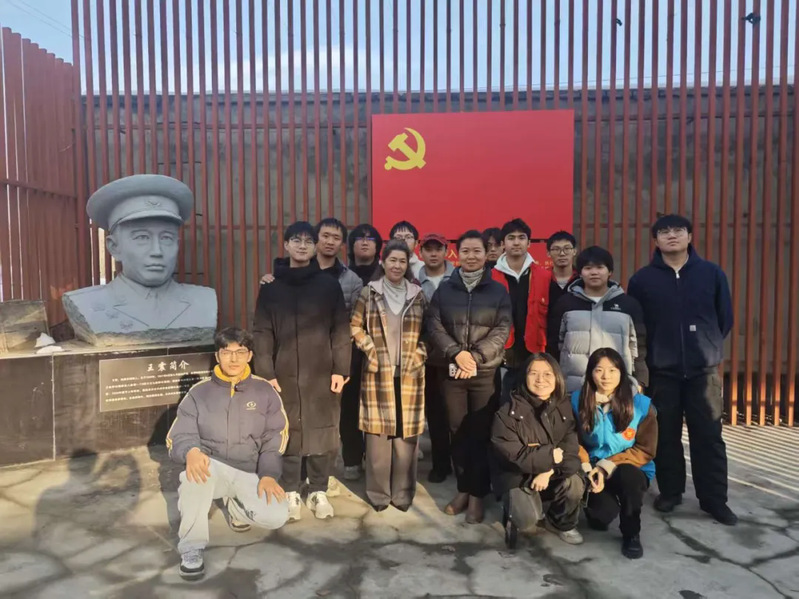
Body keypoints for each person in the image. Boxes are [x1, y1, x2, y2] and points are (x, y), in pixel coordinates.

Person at [627, 214, 736, 525]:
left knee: (709, 436)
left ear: (689, 236)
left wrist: (706, 346)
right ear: (656, 240)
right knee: (665, 435)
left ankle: (714, 500)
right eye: (664, 231)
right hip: (663, 371)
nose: (671, 235)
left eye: (678, 230)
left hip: (703, 372)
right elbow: (638, 326)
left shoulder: (711, 274)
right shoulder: (642, 280)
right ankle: (671, 492)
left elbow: (724, 318)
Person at [167, 327, 290, 580]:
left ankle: (235, 508)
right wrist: (190, 452)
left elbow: (275, 437)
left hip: (249, 470)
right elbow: (179, 434)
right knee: (193, 475)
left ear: (250, 355)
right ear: (217, 356)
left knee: (277, 515)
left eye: (240, 352)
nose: (234, 359)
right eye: (227, 352)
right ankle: (191, 548)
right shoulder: (199, 392)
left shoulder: (264, 391)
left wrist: (268, 475)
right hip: (212, 467)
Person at [252, 221, 351, 521]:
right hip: (283, 372)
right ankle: (291, 490)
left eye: (309, 241)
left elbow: (340, 329)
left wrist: (340, 368)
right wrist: (266, 372)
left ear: (315, 246)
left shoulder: (328, 285)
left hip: (322, 370)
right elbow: (262, 331)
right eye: (296, 240)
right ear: (286, 245)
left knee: (324, 429)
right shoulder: (272, 287)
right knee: (288, 429)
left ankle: (318, 489)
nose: (303, 245)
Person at [62, 174, 217, 346]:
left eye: (166, 238)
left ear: (177, 245)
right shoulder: (87, 304)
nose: (157, 251)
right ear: (114, 247)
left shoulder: (203, 300)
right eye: (142, 237)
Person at [426, 230, 512, 523]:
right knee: (457, 431)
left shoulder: (498, 291)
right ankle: (463, 488)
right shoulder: (445, 290)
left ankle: (477, 494)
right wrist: (455, 353)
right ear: (457, 254)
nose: (471, 256)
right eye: (465, 251)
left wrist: (473, 357)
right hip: (452, 373)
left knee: (481, 433)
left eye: (477, 251)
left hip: (484, 373)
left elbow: (502, 329)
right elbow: (434, 324)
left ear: (487, 254)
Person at [350, 240, 427, 511]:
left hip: (409, 374)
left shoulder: (418, 294)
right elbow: (355, 326)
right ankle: (379, 494)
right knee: (377, 439)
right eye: (392, 260)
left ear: (408, 264)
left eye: (402, 261)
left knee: (406, 439)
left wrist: (419, 355)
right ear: (383, 262)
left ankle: (403, 494)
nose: (397, 265)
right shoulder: (370, 292)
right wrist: (370, 349)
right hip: (377, 372)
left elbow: (429, 332)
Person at [572, 347, 658, 559]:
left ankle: (632, 533)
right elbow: (572, 441)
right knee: (599, 519)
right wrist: (587, 467)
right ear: (590, 373)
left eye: (612, 370)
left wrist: (607, 466)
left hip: (631, 467)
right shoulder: (576, 400)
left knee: (629, 477)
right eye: (599, 370)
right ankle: (607, 501)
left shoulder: (641, 405)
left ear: (622, 373)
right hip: (593, 468)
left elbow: (645, 449)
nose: (606, 376)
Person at [491, 353, 585, 546]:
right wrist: (550, 455)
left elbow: (570, 452)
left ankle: (560, 522)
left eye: (547, 374)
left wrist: (547, 470)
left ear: (557, 377)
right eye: (533, 373)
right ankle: (513, 511)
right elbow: (514, 455)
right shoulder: (508, 412)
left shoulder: (564, 406)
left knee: (575, 482)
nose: (540, 379)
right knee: (526, 520)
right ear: (524, 377)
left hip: (551, 472)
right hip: (519, 475)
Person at [547, 246, 648, 394]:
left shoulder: (628, 305)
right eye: (588, 268)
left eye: (600, 267)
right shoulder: (565, 304)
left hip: (617, 389)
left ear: (610, 272)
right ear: (580, 272)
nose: (594, 272)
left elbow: (639, 348)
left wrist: (640, 381)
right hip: (574, 388)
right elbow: (554, 345)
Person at [491, 219, 553, 403]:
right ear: (503, 244)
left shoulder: (544, 276)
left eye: (521, 237)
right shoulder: (490, 276)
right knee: (501, 405)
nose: (516, 242)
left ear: (529, 242)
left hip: (535, 353)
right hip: (500, 354)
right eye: (511, 238)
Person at [341, 223, 384, 479]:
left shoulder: (388, 273)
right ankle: (352, 458)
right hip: (348, 349)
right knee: (349, 406)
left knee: (378, 404)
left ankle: (377, 459)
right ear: (351, 245)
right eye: (359, 238)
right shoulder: (341, 274)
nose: (365, 242)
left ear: (378, 246)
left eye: (371, 238)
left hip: (380, 350)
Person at [417, 232, 456, 482]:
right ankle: (440, 464)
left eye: (438, 249)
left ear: (446, 251)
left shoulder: (458, 278)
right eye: (428, 249)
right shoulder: (413, 281)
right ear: (421, 253)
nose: (433, 254)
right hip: (428, 357)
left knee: (457, 412)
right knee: (435, 412)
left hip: (455, 354)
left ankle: (459, 461)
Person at [546, 230, 578, 309]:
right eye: (556, 249)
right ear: (548, 253)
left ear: (574, 251)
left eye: (567, 248)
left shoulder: (582, 278)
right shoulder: (542, 278)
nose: (562, 253)